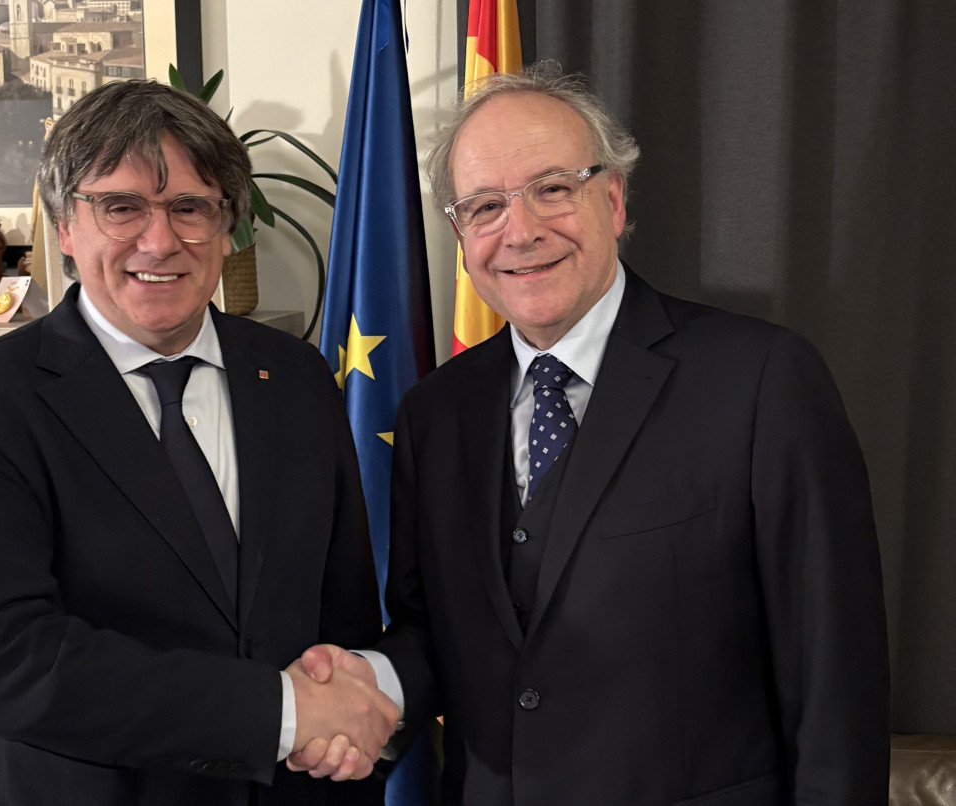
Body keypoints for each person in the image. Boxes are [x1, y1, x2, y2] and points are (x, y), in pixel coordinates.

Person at [295, 64, 889, 804]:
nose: (521, 231)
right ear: (459, 233)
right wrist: (368, 684)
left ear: (611, 199)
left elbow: (834, 671)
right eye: (484, 206)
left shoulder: (760, 380)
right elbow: (435, 633)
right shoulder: (434, 413)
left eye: (551, 189)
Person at [0, 79, 396, 806]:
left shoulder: (294, 375)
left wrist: (349, 719)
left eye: (189, 208)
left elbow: (343, 612)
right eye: (121, 207)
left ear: (226, 227)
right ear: (65, 227)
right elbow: (1, 661)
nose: (159, 241)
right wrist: (282, 713)